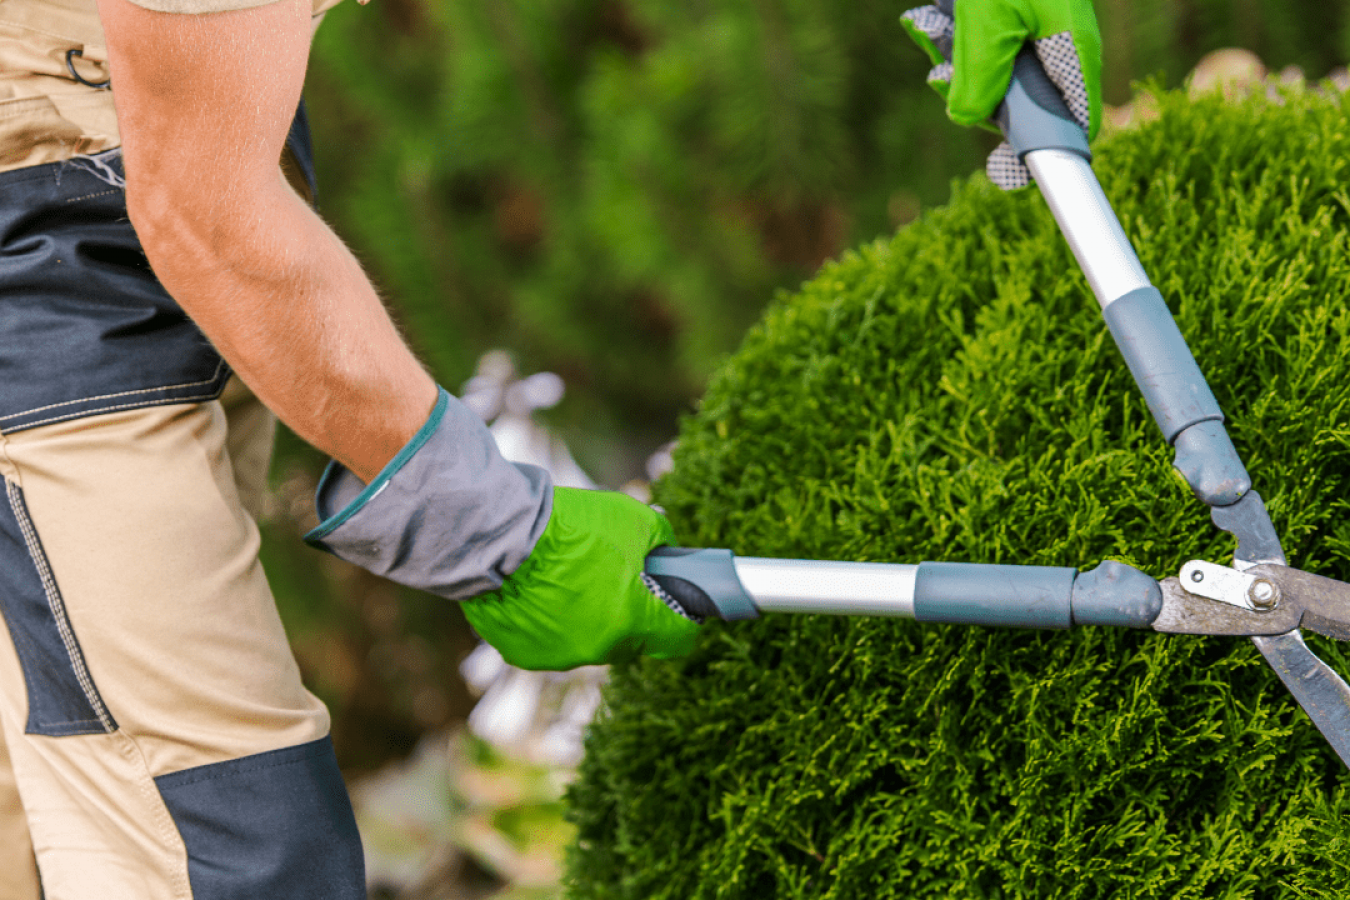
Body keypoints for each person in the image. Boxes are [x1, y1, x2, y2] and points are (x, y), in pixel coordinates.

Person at [0, 0, 1100, 896]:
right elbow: (206, 216)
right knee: (229, 843)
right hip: (55, 223)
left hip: (144, 136)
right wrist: (493, 534)